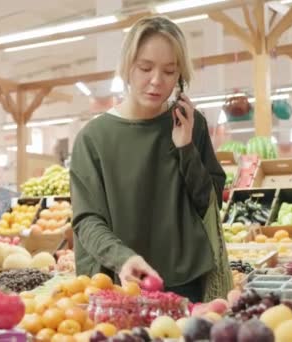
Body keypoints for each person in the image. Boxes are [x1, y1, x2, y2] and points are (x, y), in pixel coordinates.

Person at [69, 15, 231, 303]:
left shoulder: (192, 124)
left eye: (169, 71)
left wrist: (186, 149)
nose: (156, 81)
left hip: (187, 283)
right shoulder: (93, 138)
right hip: (122, 286)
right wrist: (122, 258)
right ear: (127, 67)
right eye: (145, 68)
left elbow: (210, 201)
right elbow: (87, 220)